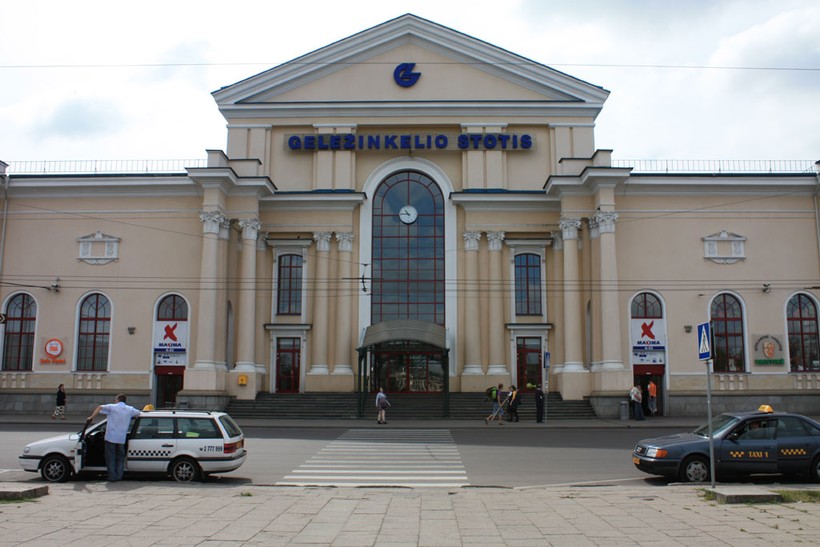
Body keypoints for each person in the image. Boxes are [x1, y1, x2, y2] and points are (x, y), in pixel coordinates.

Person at [87, 394, 141, 481]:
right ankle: (119, 476)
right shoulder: (130, 409)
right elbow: (139, 413)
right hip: (121, 438)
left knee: (110, 457)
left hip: (111, 437)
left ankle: (112, 477)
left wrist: (91, 417)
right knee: (120, 458)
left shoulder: (112, 407)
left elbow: (99, 407)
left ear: (117, 400)